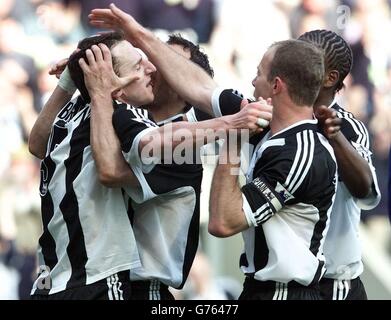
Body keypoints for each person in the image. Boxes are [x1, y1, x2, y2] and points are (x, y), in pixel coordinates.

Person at [88, 4, 338, 300]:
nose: (251, 81)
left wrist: (233, 136)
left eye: (258, 74)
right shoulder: (253, 114)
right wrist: (137, 34)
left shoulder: (301, 152)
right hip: (258, 288)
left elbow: (223, 221)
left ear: (276, 85)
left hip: (288, 292)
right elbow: (199, 85)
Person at [28, 30, 269, 299]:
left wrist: (233, 123)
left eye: (168, 61)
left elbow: (111, 169)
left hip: (134, 288)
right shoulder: (107, 111)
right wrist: (76, 75)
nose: (153, 65)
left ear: (187, 85)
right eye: (150, 56)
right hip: (67, 278)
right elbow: (39, 144)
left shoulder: (182, 151)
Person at [299, 29, 381, 300]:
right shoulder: (269, 118)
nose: (293, 63)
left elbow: (365, 190)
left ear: (329, 77)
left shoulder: (349, 128)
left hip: (334, 284)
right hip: (283, 284)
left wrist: (335, 137)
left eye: (305, 59)